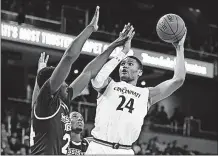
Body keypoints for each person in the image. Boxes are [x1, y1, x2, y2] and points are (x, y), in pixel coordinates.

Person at [30, 6, 132, 154]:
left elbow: (89, 72)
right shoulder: (46, 101)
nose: (67, 81)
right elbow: (69, 57)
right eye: (62, 79)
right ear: (53, 84)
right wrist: (90, 28)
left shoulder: (61, 101)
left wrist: (116, 44)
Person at [86, 26, 187, 154]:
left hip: (125, 150)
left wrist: (179, 48)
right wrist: (122, 52)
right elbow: (96, 79)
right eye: (123, 64)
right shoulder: (109, 84)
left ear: (139, 72)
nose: (124, 66)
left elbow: (178, 80)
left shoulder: (147, 94)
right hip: (99, 147)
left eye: (130, 64)